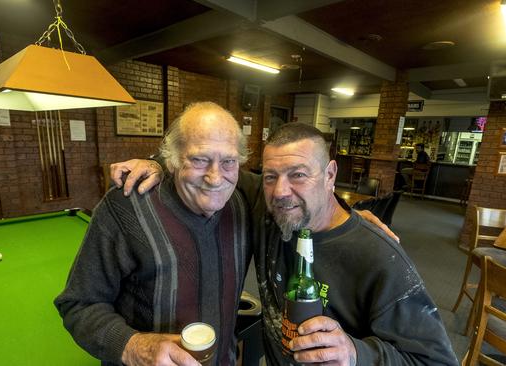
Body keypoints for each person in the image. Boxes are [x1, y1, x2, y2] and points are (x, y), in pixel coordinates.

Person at [112, 123, 457, 365]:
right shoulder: (270, 209)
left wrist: (355, 354)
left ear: (330, 175)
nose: (280, 191)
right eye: (271, 176)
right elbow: (210, 171)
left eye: (298, 175)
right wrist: (158, 164)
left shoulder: (380, 258)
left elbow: (436, 362)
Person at [54, 102, 252, 366]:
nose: (215, 178)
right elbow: (78, 304)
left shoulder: (242, 205)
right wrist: (135, 347)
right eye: (199, 160)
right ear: (171, 160)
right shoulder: (125, 207)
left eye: (228, 161)